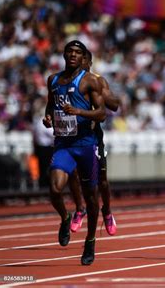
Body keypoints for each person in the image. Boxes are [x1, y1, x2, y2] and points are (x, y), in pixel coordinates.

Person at [43, 40, 106, 265]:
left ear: (83, 58)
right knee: (54, 188)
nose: (73, 55)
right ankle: (65, 217)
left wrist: (79, 110)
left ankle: (90, 241)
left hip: (86, 145)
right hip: (63, 144)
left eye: (78, 52)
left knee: (91, 198)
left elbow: (102, 113)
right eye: (69, 51)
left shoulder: (90, 81)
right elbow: (50, 104)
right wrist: (48, 117)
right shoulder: (53, 80)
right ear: (63, 55)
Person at [68, 51, 120, 236]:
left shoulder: (98, 80)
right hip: (71, 136)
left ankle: (106, 210)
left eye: (82, 60)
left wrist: (105, 96)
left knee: (102, 181)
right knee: (71, 173)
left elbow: (114, 105)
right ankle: (80, 208)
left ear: (89, 63)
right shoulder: (64, 79)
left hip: (93, 137)